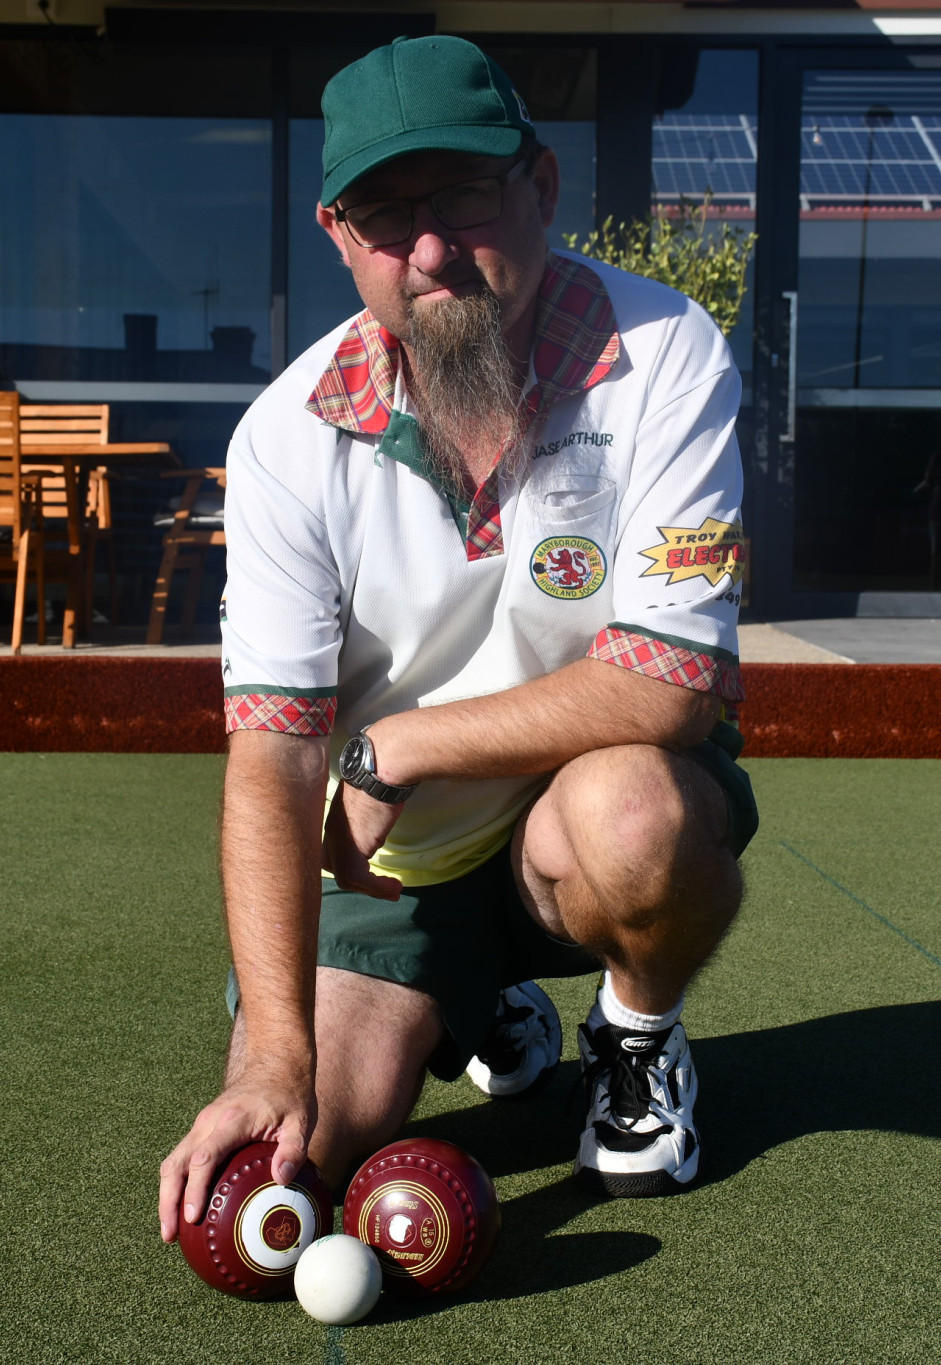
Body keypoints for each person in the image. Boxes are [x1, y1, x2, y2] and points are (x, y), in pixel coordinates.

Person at [156, 34, 757, 1245]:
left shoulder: (664, 352)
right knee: (304, 1149)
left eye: (462, 196)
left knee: (637, 819)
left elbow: (673, 685)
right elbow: (269, 756)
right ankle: (484, 1007)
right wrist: (272, 1055)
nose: (427, 249)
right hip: (398, 865)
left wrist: (397, 748)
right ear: (339, 236)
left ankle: (633, 1036)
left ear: (537, 185)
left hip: (566, 814)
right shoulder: (282, 438)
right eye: (386, 217)